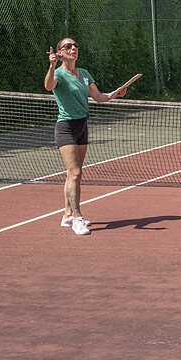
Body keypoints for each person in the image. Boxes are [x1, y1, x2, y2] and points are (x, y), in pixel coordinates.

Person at [43, 37, 132, 236]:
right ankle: (77, 218)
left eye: (75, 46)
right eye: (68, 46)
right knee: (74, 172)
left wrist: (115, 94)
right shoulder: (58, 73)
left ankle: (67, 215)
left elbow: (99, 97)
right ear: (59, 52)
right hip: (65, 127)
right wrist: (51, 65)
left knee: (74, 173)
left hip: (82, 125)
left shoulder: (84, 74)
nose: (73, 48)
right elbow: (49, 86)